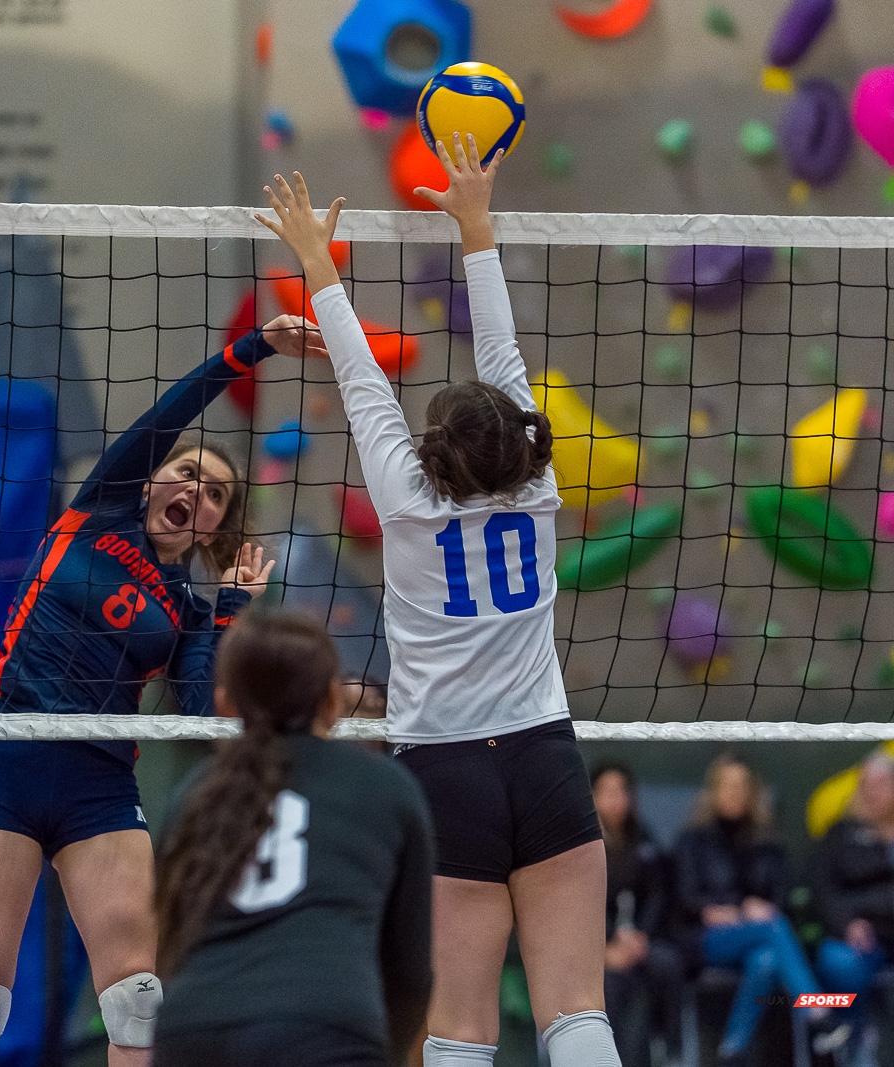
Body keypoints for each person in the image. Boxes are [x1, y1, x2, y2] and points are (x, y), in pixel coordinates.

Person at [258, 148, 616, 1067]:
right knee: (578, 1010)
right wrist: (476, 225)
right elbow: (503, 355)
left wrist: (318, 259)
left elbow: (360, 378)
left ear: (436, 451)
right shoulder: (539, 492)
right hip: (542, 752)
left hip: (443, 766)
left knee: (458, 1027)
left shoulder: (408, 501)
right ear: (519, 446)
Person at [0, 314, 319, 1066]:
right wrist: (251, 350)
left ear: (213, 527)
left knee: (138, 1002)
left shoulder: (185, 608)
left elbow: (199, 711)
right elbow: (169, 415)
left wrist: (230, 611)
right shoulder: (101, 509)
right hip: (9, 756)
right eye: (187, 473)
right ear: (151, 479)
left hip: (101, 785)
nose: (197, 490)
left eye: (216, 494)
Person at [151, 610, 433, 1066]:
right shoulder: (386, 787)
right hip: (324, 1028)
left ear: (224, 703)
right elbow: (411, 972)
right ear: (332, 700)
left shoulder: (194, 793)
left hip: (191, 1030)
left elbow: (168, 944)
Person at [673, 752, 841, 1066]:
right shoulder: (692, 840)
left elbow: (782, 900)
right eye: (728, 785)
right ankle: (818, 1014)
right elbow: (685, 900)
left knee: (765, 959)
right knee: (771, 928)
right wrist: (737, 910)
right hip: (705, 941)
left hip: (759, 938)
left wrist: (756, 910)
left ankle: (732, 1052)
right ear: (713, 790)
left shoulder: (768, 844)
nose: (735, 793)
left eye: (742, 786)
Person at [592, 762, 681, 1067]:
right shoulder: (582, 843)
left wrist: (641, 935)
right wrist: (608, 943)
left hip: (638, 942)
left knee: (668, 963)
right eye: (607, 792)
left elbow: (658, 894)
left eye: (621, 791)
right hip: (596, 949)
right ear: (592, 796)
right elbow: (580, 903)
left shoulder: (643, 837)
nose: (615, 800)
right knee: (610, 983)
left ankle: (669, 1050)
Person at [813, 751, 894, 1063]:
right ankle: (857, 1044)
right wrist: (849, 923)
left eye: (881, 784)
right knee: (837, 962)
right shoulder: (840, 834)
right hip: (856, 938)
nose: (872, 793)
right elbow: (822, 891)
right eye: (866, 785)